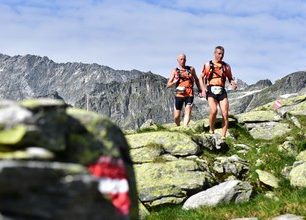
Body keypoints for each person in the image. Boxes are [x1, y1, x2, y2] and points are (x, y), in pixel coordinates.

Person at [199, 46, 237, 138]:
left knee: (225, 113)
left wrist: (233, 84)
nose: (221, 56)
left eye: (222, 54)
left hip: (221, 90)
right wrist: (203, 89)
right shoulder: (208, 65)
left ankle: (223, 136)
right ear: (215, 53)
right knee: (214, 110)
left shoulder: (226, 66)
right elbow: (201, 77)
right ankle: (211, 129)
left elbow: (230, 78)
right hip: (211, 89)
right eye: (219, 53)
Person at [167, 53, 201, 126]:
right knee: (176, 117)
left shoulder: (191, 69)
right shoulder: (175, 71)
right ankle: (178, 127)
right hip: (179, 95)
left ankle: (185, 127)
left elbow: (196, 79)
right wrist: (174, 82)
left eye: (184, 59)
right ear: (178, 60)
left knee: (188, 109)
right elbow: (168, 85)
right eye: (181, 59)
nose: (183, 61)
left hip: (189, 94)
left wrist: (200, 90)